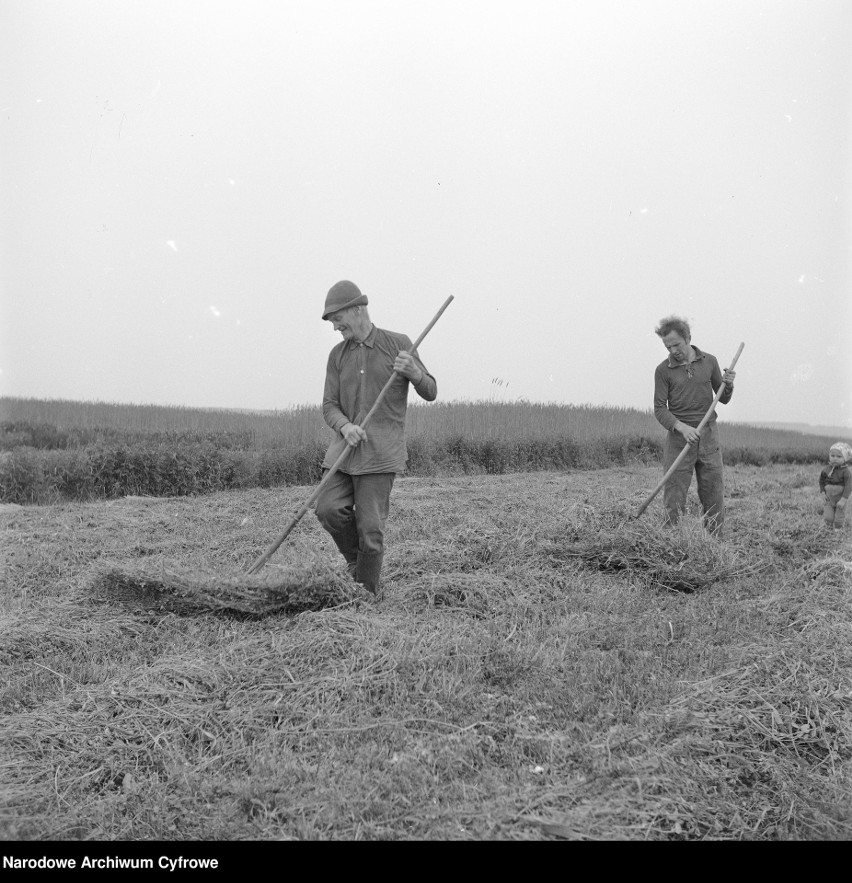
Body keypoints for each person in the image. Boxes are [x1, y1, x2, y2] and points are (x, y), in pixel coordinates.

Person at [314, 280, 438, 596]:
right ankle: (359, 567)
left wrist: (414, 372)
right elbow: (329, 405)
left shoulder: (399, 345)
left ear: (358, 309)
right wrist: (344, 426)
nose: (334, 326)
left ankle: (366, 594)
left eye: (337, 318)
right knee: (327, 509)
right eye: (331, 321)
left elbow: (431, 391)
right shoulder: (337, 355)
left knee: (370, 531)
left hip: (380, 455)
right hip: (343, 454)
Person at [653, 315, 736, 534]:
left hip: (708, 435)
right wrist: (681, 427)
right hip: (680, 439)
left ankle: (715, 541)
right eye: (667, 346)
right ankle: (671, 540)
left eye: (676, 344)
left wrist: (728, 385)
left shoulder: (710, 362)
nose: (672, 350)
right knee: (674, 493)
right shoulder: (663, 371)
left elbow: (723, 398)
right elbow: (660, 408)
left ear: (688, 338)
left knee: (713, 491)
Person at [819, 441, 852, 530]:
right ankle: (828, 529)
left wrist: (843, 500)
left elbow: (849, 486)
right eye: (832, 456)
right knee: (828, 517)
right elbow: (821, 481)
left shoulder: (846, 472)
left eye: (839, 456)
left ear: (845, 458)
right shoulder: (826, 469)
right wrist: (822, 493)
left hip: (840, 498)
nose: (835, 458)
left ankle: (838, 530)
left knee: (839, 517)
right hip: (829, 498)